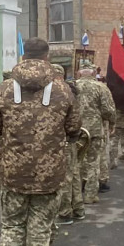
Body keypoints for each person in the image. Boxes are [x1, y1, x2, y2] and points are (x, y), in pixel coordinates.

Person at [0, 38, 81, 246]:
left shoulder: (4, 88)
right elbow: (74, 128)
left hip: (12, 173)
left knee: (12, 225)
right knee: (40, 228)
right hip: (49, 174)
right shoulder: (62, 89)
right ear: (47, 56)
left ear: (23, 55)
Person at [75, 64, 116, 204]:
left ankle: (76, 195)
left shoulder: (72, 87)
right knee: (93, 162)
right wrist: (112, 123)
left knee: (77, 162)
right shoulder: (101, 87)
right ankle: (90, 195)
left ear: (79, 73)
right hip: (95, 130)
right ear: (93, 73)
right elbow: (108, 110)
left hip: (76, 129)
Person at [54, 64, 85, 225]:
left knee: (64, 176)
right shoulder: (71, 90)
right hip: (71, 139)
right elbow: (76, 119)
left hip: (60, 140)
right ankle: (78, 208)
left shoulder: (55, 92)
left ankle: (65, 213)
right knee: (74, 173)